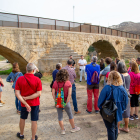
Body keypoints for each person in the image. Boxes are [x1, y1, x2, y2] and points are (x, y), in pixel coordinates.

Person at [15, 63, 42, 140]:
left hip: (23, 104)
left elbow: (17, 93)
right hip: (35, 103)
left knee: (22, 118)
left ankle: (21, 134)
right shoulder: (37, 79)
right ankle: (33, 138)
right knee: (34, 120)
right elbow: (38, 93)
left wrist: (25, 101)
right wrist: (28, 98)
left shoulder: (20, 79)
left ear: (26, 69)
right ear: (34, 70)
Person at [98, 71, 128, 140]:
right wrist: (121, 110)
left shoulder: (107, 88)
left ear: (110, 78)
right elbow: (126, 102)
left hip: (108, 112)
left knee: (110, 128)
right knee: (115, 127)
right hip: (119, 111)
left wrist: (101, 109)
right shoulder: (123, 89)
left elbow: (100, 102)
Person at [52, 69, 80, 135]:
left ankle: (62, 130)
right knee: (70, 114)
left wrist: (56, 101)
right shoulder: (68, 83)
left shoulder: (55, 83)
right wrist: (66, 101)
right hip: (66, 102)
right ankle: (73, 128)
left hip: (58, 102)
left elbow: (53, 93)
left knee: (60, 116)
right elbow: (69, 94)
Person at [117, 61, 131, 133]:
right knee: (126, 112)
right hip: (127, 95)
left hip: (119, 96)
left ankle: (117, 129)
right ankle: (126, 127)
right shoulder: (128, 75)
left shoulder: (118, 75)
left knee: (119, 112)